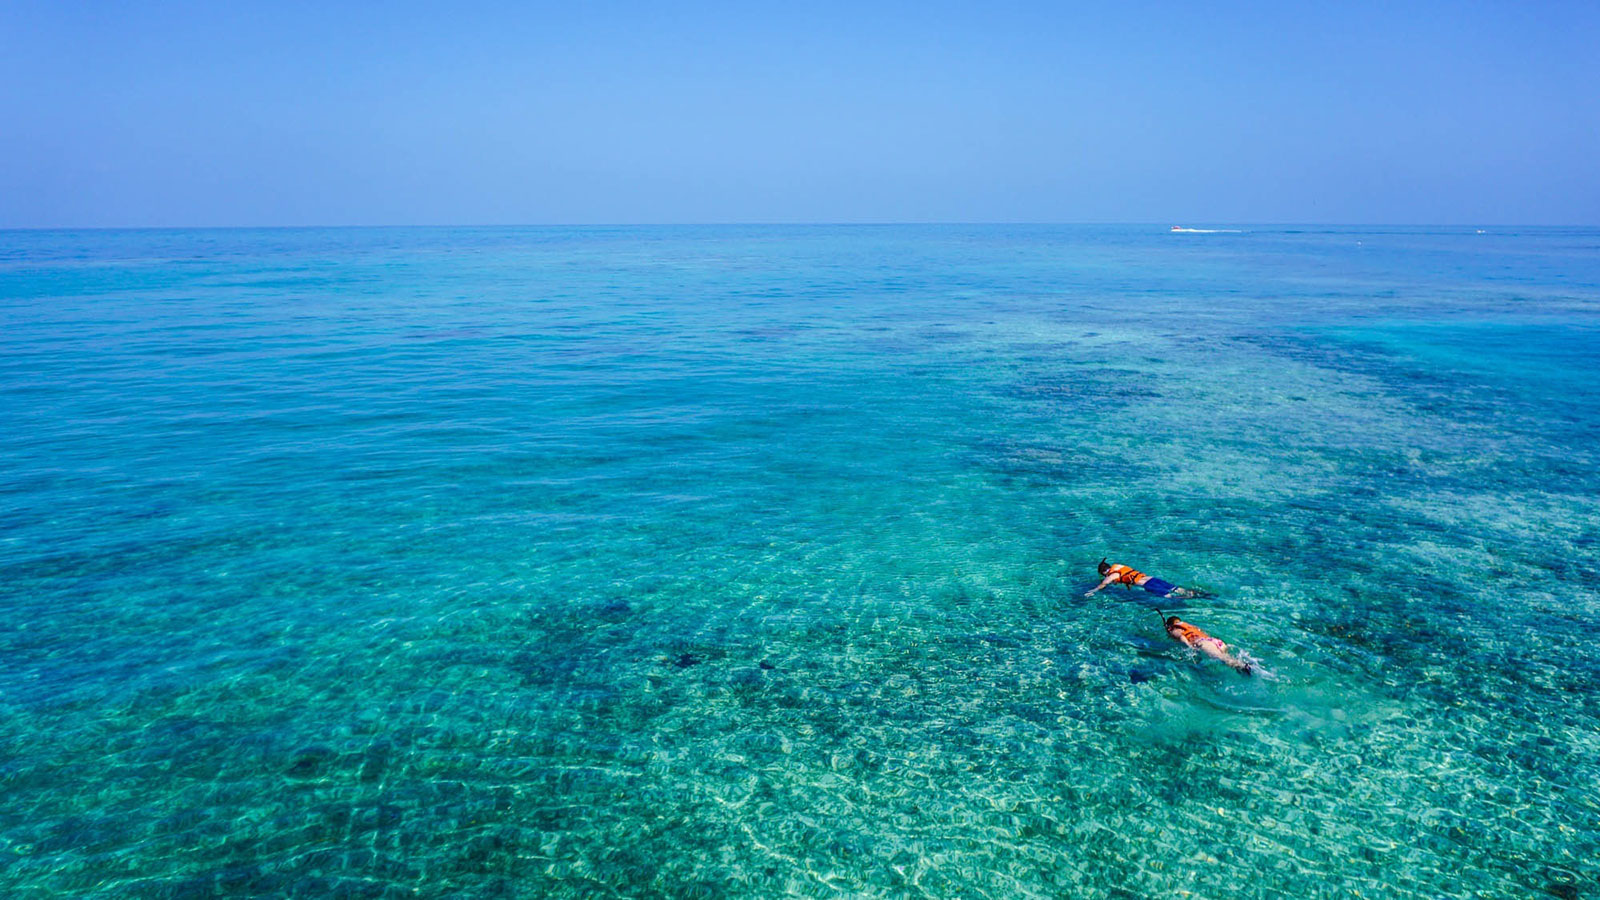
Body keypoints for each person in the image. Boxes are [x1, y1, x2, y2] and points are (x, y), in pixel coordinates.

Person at [1160, 612, 1253, 676]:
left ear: (1169, 626)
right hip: (1216, 642)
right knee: (1225, 657)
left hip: (1203, 643)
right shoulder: (1191, 626)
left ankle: (1242, 666)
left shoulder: (1174, 629)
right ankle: (1238, 666)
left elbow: (1181, 637)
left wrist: (1190, 647)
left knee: (1222, 658)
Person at [1084, 558, 1205, 599]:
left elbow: (1104, 584)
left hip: (1148, 585)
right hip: (1152, 579)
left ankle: (1191, 599)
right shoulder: (1119, 566)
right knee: (1177, 589)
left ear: (1104, 572)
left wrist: (1092, 591)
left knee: (1170, 597)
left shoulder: (1112, 575)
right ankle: (1202, 595)